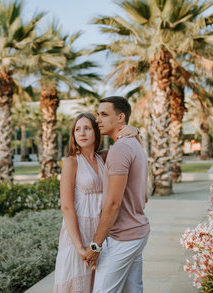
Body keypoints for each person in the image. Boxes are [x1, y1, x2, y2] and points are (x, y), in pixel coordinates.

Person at [53, 113, 139, 293]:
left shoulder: (104, 157)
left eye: (87, 128)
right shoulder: (71, 162)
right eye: (77, 129)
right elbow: (66, 207)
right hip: (78, 235)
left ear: (96, 132)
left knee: (98, 286)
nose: (81, 133)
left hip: (101, 234)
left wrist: (136, 131)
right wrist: (79, 247)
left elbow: (133, 149)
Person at [85, 96, 150, 293]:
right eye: (98, 114)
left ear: (121, 117)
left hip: (123, 238)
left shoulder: (120, 149)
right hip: (137, 233)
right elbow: (144, 196)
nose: (98, 120)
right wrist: (137, 131)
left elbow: (113, 203)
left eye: (104, 114)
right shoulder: (133, 143)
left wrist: (95, 246)